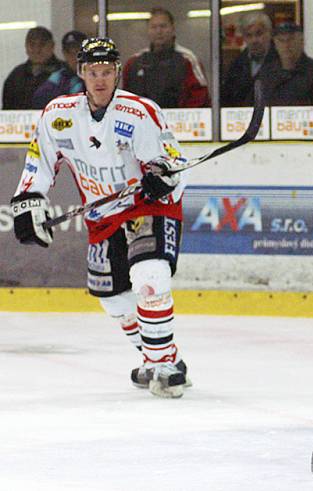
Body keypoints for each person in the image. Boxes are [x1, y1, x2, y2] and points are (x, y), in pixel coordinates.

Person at [9, 38, 191, 398]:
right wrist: (28, 201)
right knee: (113, 299)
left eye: (107, 72)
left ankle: (164, 366)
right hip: (100, 213)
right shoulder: (58, 116)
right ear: (81, 73)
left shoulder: (141, 113)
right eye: (93, 72)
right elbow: (39, 163)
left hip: (146, 206)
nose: (100, 80)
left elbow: (172, 163)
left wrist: (161, 176)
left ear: (118, 73)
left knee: (149, 276)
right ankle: (157, 354)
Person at [122, 7, 210, 108]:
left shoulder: (188, 60)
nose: (159, 31)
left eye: (163, 26)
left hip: (179, 121)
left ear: (173, 29)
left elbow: (200, 96)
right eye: (154, 27)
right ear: (148, 30)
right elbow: (125, 98)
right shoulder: (134, 63)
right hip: (142, 121)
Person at [259, 22, 313, 105]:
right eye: (281, 40)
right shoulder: (267, 74)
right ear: (274, 44)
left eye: (291, 39)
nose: (286, 45)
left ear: (302, 41)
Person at [221, 12, 277, 107]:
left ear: (270, 33)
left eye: (259, 34)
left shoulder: (283, 62)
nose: (254, 40)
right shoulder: (236, 66)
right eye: (249, 35)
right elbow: (227, 100)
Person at [3, 26, 66, 109]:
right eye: (32, 45)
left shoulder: (65, 73)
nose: (37, 50)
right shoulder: (16, 75)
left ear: (52, 46)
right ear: (26, 46)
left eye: (42, 45)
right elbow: (7, 110)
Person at [31, 30, 88, 109]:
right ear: (63, 53)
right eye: (69, 52)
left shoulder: (97, 75)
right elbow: (39, 99)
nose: (74, 56)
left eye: (78, 51)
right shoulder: (58, 77)